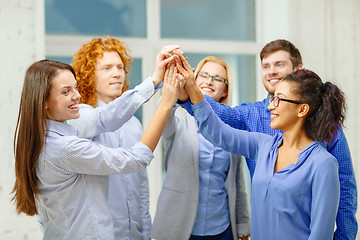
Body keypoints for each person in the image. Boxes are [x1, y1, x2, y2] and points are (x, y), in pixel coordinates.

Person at [178, 39, 358, 239]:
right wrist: (191, 91)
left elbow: (323, 229)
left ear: (302, 109)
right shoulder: (263, 145)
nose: (271, 106)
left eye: (278, 99)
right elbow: (217, 130)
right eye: (273, 99)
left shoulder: (323, 163)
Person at [11, 59, 181, 239]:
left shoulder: (43, 141)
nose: (76, 95)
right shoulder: (66, 147)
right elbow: (137, 158)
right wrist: (165, 104)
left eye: (75, 87)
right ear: (43, 101)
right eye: (66, 91)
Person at [67, 36, 179, 240]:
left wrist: (145, 232)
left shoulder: (134, 124)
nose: (117, 74)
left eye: (119, 67)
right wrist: (154, 81)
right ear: (88, 75)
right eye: (107, 68)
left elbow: (140, 186)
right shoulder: (79, 117)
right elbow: (106, 118)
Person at [151, 56, 250, 240]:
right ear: (194, 80)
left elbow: (238, 184)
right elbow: (162, 123)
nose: (209, 81)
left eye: (218, 78)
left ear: (225, 89)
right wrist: (174, 94)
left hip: (223, 229)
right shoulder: (179, 119)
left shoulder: (231, 128)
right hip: (180, 228)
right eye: (203, 75)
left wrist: (244, 227)